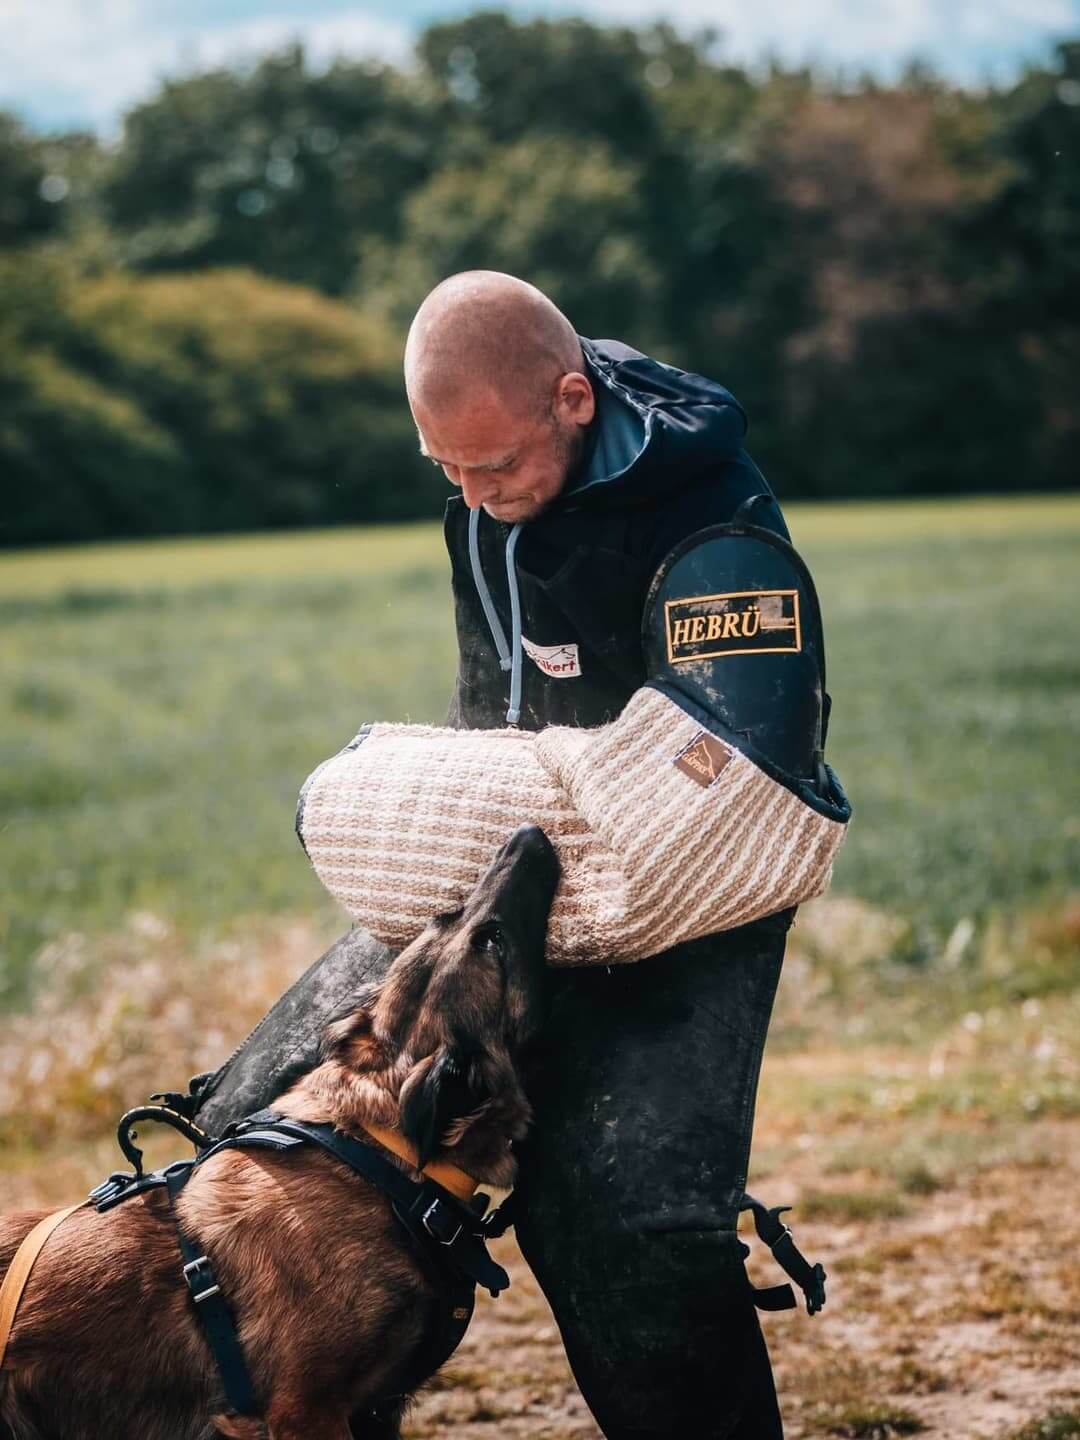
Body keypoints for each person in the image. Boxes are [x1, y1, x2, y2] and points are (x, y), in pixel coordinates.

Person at [195, 270, 851, 1438]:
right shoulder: (486, 489)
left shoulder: (715, 536)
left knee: (613, 1218)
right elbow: (493, 731)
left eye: (493, 468)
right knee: (248, 1126)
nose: (474, 495)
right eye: (445, 469)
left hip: (679, 892)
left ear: (571, 398)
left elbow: (729, 789)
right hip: (515, 874)